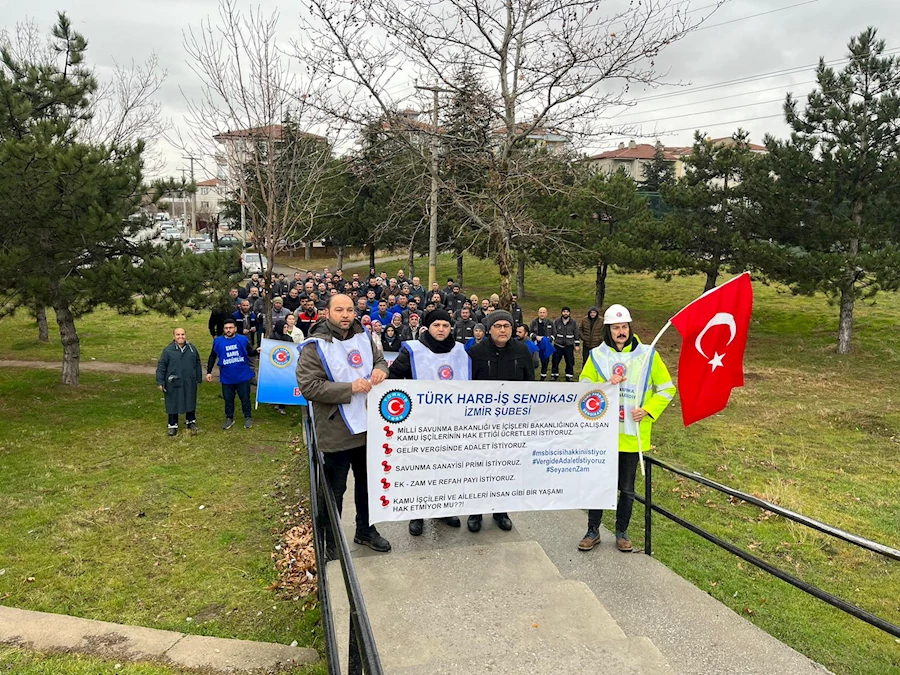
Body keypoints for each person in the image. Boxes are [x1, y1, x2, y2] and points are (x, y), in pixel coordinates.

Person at [295, 294, 391, 555]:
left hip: (369, 426)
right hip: (337, 428)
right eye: (339, 310)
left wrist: (382, 369)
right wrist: (349, 388)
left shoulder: (363, 336)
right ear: (327, 312)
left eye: (349, 309)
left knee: (368, 483)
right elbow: (310, 386)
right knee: (335, 489)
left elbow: (380, 359)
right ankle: (330, 540)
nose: (346, 314)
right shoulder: (314, 346)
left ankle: (366, 530)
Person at [578, 304, 676, 553]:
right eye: (615, 328)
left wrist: (648, 410)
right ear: (608, 330)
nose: (620, 331)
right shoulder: (597, 355)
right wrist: (605, 384)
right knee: (598, 485)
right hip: (603, 435)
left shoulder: (648, 355)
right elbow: (583, 386)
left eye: (624, 326)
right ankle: (593, 530)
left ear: (629, 327)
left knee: (628, 489)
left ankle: (621, 531)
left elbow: (666, 388)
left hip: (633, 436)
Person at [388, 308, 470, 536]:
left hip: (451, 421)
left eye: (445, 325)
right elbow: (394, 377)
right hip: (421, 421)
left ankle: (442, 509)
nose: (441, 329)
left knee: (446, 466)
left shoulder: (461, 351)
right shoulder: (413, 350)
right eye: (436, 325)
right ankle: (417, 513)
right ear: (427, 327)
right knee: (420, 468)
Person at [466, 311, 535, 533]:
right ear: (489, 329)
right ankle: (475, 511)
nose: (503, 330)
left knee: (505, 466)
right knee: (479, 466)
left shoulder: (522, 350)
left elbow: (530, 384)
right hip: (481, 421)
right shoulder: (475, 352)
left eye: (507, 325)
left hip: (511, 422)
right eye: (498, 326)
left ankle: (501, 510)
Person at [206, 319, 257, 430]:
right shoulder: (218, 341)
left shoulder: (243, 339)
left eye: (230, 328)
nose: (228, 330)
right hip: (227, 376)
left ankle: (247, 417)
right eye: (226, 328)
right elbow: (212, 356)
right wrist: (209, 371)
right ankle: (229, 418)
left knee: (245, 398)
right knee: (228, 399)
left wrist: (258, 351)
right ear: (223, 329)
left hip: (242, 375)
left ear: (235, 328)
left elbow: (250, 352)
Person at [156, 328, 202, 436]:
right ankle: (172, 425)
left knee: (190, 399)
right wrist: (160, 381)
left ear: (185, 335)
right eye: (178, 335)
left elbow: (197, 363)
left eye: (182, 334)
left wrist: (198, 377)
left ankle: (191, 422)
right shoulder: (168, 350)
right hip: (173, 381)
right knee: (173, 402)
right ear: (174, 336)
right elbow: (161, 366)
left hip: (189, 381)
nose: (180, 336)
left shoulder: (192, 349)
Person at [551, 306, 580, 382]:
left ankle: (569, 376)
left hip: (569, 345)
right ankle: (554, 374)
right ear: (562, 313)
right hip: (558, 345)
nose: (565, 313)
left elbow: (576, 333)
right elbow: (554, 332)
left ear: (569, 313)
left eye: (567, 312)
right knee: (555, 361)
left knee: (570, 361)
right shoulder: (557, 321)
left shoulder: (573, 322)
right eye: (564, 312)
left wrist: (577, 345)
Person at [529, 307, 554, 380]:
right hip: (536, 344)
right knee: (533, 360)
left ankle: (543, 377)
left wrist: (548, 339)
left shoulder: (550, 322)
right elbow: (530, 332)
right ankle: (531, 376)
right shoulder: (534, 322)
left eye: (543, 312)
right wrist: (536, 336)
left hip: (546, 345)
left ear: (546, 313)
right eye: (540, 312)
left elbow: (554, 333)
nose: (542, 314)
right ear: (538, 313)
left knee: (545, 361)